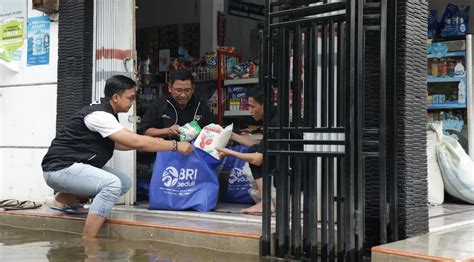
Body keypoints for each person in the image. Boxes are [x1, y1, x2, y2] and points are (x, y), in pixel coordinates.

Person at [41, 75, 193, 238]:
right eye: (130, 98)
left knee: (124, 183)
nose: (132, 103)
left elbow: (121, 144)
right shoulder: (100, 115)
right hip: (59, 169)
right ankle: (89, 240)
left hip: (72, 167)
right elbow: (135, 141)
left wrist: (152, 143)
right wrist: (175, 146)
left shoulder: (107, 112)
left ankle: (63, 199)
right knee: (112, 184)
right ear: (115, 97)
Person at [216, 85, 275, 214]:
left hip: (292, 167)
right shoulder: (275, 116)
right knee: (255, 148)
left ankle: (266, 203)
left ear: (264, 105)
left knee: (253, 153)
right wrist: (231, 134)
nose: (250, 110)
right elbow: (261, 146)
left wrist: (228, 152)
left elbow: (257, 159)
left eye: (253, 106)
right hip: (291, 162)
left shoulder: (274, 124)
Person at [138, 69, 215, 140]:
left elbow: (213, 132)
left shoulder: (201, 105)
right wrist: (167, 131)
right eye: (178, 90)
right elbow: (144, 131)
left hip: (194, 153)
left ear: (193, 88)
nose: (183, 95)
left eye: (187, 90)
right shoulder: (159, 105)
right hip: (166, 151)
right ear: (170, 88)